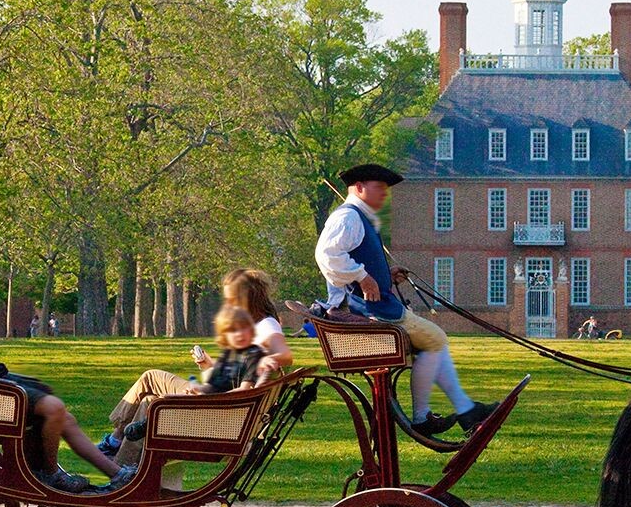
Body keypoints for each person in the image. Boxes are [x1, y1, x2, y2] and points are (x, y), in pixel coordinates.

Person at [315, 163, 496, 437]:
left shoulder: (360, 218)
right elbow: (327, 255)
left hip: (378, 305)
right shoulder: (347, 217)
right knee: (435, 339)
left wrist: (384, 275)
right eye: (379, 188)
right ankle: (427, 416)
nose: (385, 195)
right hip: (370, 311)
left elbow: (353, 260)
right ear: (360, 187)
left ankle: (464, 410)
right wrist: (363, 277)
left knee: (434, 342)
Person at [0, 260, 128, 494]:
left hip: (0, 383)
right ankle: (50, 475)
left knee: (64, 417)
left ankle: (118, 475)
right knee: (54, 408)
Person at [101, 268, 294, 454]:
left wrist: (269, 359)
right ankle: (118, 447)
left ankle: (118, 456)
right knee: (150, 388)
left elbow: (286, 356)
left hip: (218, 407)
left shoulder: (266, 327)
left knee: (151, 394)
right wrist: (207, 365)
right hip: (217, 397)